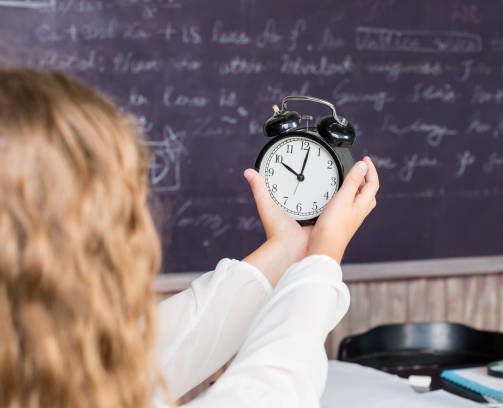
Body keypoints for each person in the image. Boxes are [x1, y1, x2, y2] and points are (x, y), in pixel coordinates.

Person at [0, 68, 379, 408]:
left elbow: (142, 353)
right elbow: (267, 393)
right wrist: (322, 262)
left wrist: (287, 251)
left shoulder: (38, 355)